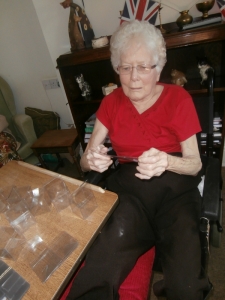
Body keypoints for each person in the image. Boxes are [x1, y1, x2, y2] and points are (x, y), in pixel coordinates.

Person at [67, 20, 211, 300]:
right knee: (99, 267)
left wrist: (167, 161)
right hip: (130, 195)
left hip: (176, 194)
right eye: (125, 67)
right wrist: (91, 160)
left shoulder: (178, 98)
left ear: (158, 68)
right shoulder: (110, 103)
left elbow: (195, 163)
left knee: (187, 288)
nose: (134, 77)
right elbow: (86, 160)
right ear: (116, 68)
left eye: (144, 67)